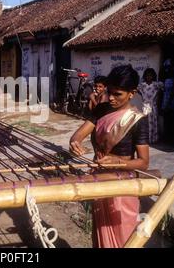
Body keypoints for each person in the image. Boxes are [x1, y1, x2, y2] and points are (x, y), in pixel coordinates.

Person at [70, 65, 149, 248]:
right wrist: (75, 142)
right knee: (101, 233)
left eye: (118, 94)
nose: (111, 98)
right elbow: (78, 135)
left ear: (132, 93)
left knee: (123, 233)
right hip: (100, 180)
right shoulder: (101, 110)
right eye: (109, 92)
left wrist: (118, 161)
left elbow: (143, 162)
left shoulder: (138, 120)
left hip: (123, 184)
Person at [138, 68, 164, 144]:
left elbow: (162, 90)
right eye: (147, 76)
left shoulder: (156, 85)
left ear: (153, 76)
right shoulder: (142, 85)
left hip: (153, 106)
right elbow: (138, 91)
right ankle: (145, 139)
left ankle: (153, 139)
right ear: (145, 76)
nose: (149, 77)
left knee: (154, 122)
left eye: (151, 76)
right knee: (145, 123)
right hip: (145, 106)